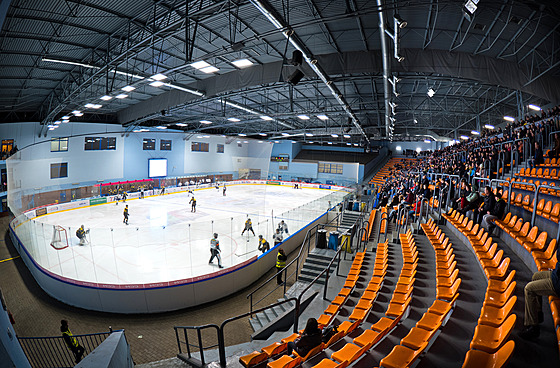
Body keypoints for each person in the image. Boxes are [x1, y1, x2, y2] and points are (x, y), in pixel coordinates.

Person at [520, 245, 560, 340]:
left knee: (529, 289)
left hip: (558, 283)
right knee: (536, 276)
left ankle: (533, 327)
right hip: (556, 275)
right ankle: (537, 315)